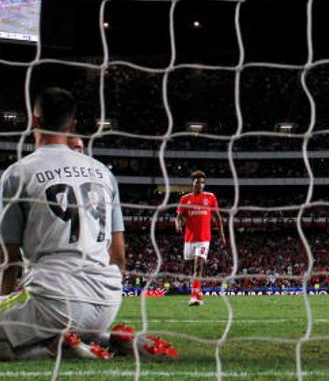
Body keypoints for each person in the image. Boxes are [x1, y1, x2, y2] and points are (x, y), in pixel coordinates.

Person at [0, 88, 174, 360]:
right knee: (66, 320)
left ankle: (55, 349)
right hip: (107, 302)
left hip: (57, 302)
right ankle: (113, 340)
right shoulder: (103, 172)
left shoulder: (18, 173)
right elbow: (118, 256)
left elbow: (9, 260)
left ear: (34, 121)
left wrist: (3, 302)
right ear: (73, 126)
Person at [176, 170, 226, 307]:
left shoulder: (210, 197)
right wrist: (178, 225)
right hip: (189, 239)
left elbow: (217, 217)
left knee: (199, 266)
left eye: (202, 182)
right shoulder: (185, 199)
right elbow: (179, 216)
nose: (200, 185)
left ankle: (194, 297)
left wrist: (222, 235)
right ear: (193, 183)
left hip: (204, 238)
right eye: (197, 182)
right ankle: (199, 294)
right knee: (192, 269)